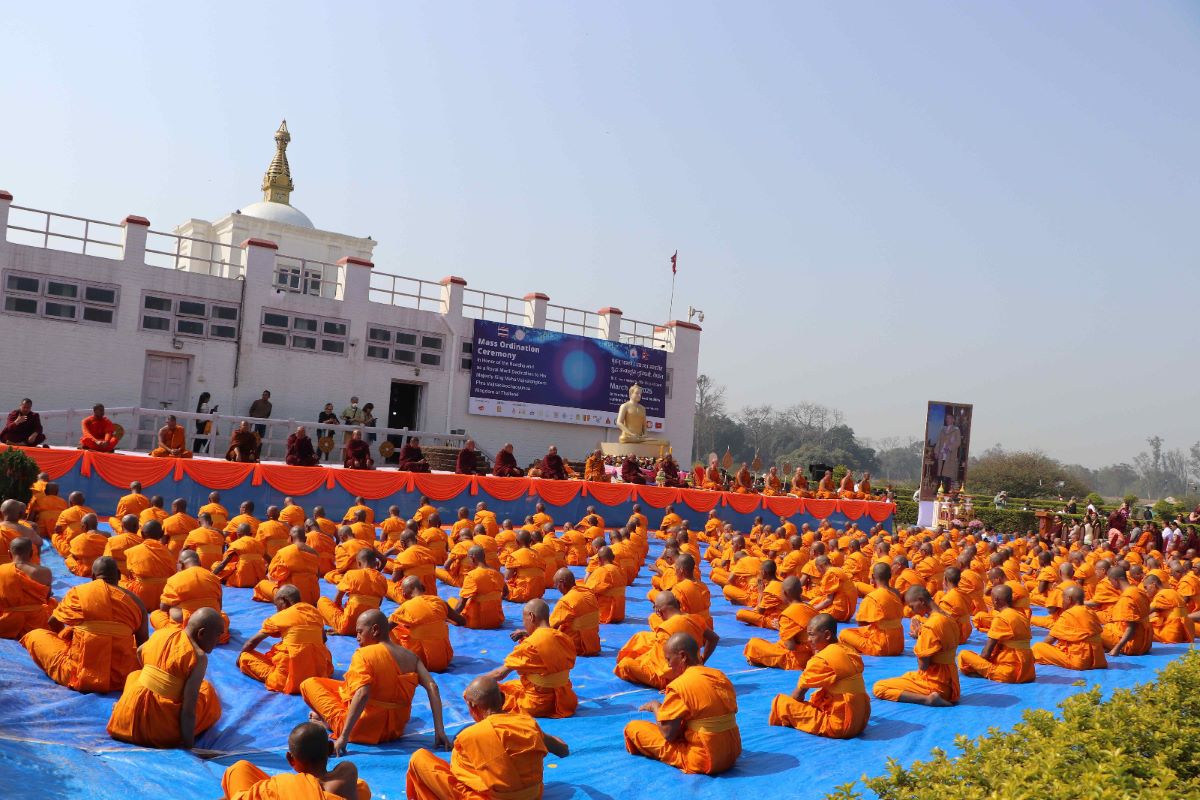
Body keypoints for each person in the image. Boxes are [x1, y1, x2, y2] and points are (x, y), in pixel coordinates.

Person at [301, 609, 450, 751]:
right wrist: (440, 730)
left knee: (309, 684)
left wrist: (344, 736)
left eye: (360, 632)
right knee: (344, 686)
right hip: (396, 729)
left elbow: (363, 694)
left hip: (362, 729)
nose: (357, 637)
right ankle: (330, 721)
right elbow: (433, 687)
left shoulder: (364, 654)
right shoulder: (411, 656)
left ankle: (332, 724)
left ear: (375, 630)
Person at [406, 675, 569, 800]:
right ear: (504, 699)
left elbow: (460, 774)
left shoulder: (469, 736)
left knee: (419, 758)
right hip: (532, 796)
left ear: (472, 706)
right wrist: (539, 735)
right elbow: (563, 750)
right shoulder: (527, 724)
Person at [21, 555, 148, 692]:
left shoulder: (79, 593)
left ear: (93, 576)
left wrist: (61, 640)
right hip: (121, 679)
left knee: (36, 635)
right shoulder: (136, 602)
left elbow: (53, 622)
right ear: (118, 575)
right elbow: (143, 645)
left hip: (79, 675)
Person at [623, 632, 741, 775]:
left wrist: (655, 706)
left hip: (706, 759)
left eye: (669, 659)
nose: (668, 665)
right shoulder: (720, 675)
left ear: (683, 656)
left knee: (633, 728)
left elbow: (668, 734)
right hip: (733, 752)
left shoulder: (680, 685)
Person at [107, 607, 222, 749]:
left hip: (123, 721)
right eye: (217, 636)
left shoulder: (161, 633)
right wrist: (188, 746)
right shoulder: (198, 656)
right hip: (159, 731)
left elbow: (139, 651)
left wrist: (155, 676)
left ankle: (121, 707)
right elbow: (189, 709)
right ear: (202, 633)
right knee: (208, 694)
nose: (218, 641)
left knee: (136, 676)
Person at [769, 613, 871, 739]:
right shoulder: (849, 649)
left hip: (841, 726)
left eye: (811, 634)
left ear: (827, 635)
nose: (808, 639)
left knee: (781, 703)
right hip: (861, 721)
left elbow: (797, 695)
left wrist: (792, 710)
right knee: (817, 696)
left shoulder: (821, 660)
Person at [222, 721, 369, 800]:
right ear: (330, 749)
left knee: (239, 769)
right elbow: (346, 769)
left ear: (290, 759)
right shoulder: (344, 778)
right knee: (361, 787)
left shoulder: (275, 787)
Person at [486, 599, 578, 718]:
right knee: (513, 685)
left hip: (538, 704)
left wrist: (476, 684)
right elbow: (547, 643)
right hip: (566, 700)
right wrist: (529, 635)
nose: (524, 624)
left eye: (524, 620)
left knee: (495, 690)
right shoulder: (565, 638)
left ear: (531, 617)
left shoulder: (530, 645)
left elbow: (499, 674)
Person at [239, 584, 333, 694]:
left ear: (284, 601)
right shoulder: (314, 612)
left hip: (289, 679)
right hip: (318, 675)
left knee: (245, 657)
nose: (276, 609)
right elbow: (323, 639)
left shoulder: (281, 616)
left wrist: (240, 657)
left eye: (276, 604)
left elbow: (251, 643)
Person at [616, 591, 717, 689]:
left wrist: (674, 684)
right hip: (693, 665)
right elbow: (714, 638)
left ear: (659, 612)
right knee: (642, 637)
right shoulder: (695, 619)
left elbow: (666, 668)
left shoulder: (665, 629)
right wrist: (702, 659)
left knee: (624, 664)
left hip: (670, 678)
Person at [958, 584, 1036, 684]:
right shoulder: (1021, 615)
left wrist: (978, 664)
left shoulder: (1001, 618)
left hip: (1011, 673)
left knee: (963, 655)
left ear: (996, 600)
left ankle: (986, 673)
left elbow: (987, 652)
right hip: (1028, 672)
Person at [390, 575, 465, 672]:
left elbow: (384, 628)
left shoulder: (404, 608)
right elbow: (462, 622)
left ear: (404, 595)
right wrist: (445, 618)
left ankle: (400, 656)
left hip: (418, 663)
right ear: (423, 588)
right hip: (444, 660)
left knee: (396, 626)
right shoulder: (439, 602)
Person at [151, 549, 229, 643]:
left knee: (156, 614)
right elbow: (219, 607)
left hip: (185, 633)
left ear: (181, 564)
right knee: (223, 616)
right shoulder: (214, 578)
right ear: (199, 563)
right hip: (212, 633)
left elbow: (163, 608)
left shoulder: (174, 579)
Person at [743, 576, 816, 669]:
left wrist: (781, 629)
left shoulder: (788, 614)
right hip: (813, 654)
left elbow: (791, 646)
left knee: (753, 644)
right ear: (801, 592)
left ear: (784, 593)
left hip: (798, 659)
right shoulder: (811, 608)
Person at [1031, 586, 1107, 670]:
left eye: (1063, 599)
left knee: (1038, 647)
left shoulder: (1068, 614)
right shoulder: (1091, 612)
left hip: (1080, 661)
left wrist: (1042, 648)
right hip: (1098, 660)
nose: (1062, 602)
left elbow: (1051, 639)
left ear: (1069, 599)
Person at [839, 563, 905, 656]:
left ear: (873, 576)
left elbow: (861, 623)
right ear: (890, 576)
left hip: (881, 647)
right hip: (898, 646)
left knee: (843, 633)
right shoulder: (896, 595)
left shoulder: (872, 597)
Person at [318, 549, 388, 636]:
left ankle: (338, 626)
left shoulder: (351, 574)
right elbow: (379, 603)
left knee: (322, 601)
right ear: (376, 563)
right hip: (369, 628)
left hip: (347, 627)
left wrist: (341, 613)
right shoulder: (382, 579)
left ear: (358, 563)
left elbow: (337, 600)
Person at [0, 537, 54, 639]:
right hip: (38, 624)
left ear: (9, 553)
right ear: (31, 553)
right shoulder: (44, 572)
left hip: (7, 624)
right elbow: (46, 598)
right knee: (53, 603)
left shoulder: (1, 570)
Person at [254, 527, 322, 605]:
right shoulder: (315, 554)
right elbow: (317, 576)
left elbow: (274, 575)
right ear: (305, 538)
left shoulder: (285, 552)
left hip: (292, 598)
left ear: (290, 538)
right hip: (313, 598)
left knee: (262, 584)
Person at [122, 520, 176, 610]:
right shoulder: (169, 553)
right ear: (162, 534)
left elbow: (130, 574)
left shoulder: (133, 551)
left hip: (141, 598)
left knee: (121, 579)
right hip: (163, 595)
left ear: (142, 534)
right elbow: (173, 574)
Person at [447, 546, 506, 628]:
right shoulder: (498, 574)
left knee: (451, 601)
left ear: (472, 558)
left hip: (478, 622)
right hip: (497, 620)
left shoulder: (472, 575)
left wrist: (452, 617)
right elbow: (506, 592)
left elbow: (461, 603)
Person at [1100, 565, 1152, 657]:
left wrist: (1117, 648)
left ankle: (1114, 646)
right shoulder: (1138, 591)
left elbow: (1131, 628)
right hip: (1146, 642)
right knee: (1108, 626)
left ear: (1115, 580)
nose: (1111, 584)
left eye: (1110, 581)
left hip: (1133, 645)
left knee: (1096, 631)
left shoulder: (1127, 598)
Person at [548, 569, 602, 656]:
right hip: (594, 644)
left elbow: (549, 626)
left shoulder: (566, 601)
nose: (557, 588)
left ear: (561, 583)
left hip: (577, 647)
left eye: (556, 585)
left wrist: (528, 633)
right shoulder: (589, 593)